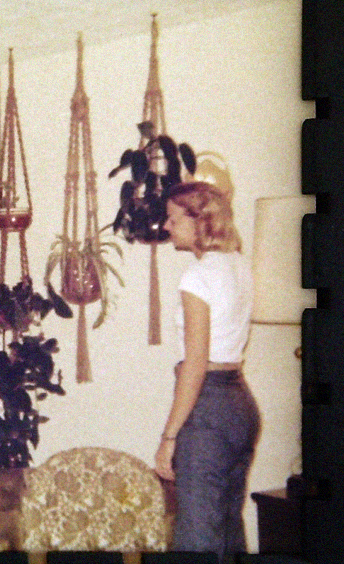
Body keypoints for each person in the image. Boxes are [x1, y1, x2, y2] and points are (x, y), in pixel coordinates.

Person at [154, 181, 261, 562]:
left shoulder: (196, 277)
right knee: (230, 532)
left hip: (210, 407)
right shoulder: (238, 264)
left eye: (172, 218)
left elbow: (195, 365)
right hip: (240, 405)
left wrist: (169, 438)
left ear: (198, 221)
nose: (166, 226)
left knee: (197, 539)